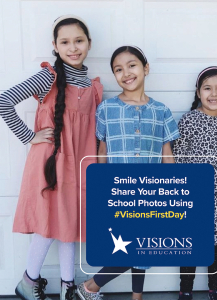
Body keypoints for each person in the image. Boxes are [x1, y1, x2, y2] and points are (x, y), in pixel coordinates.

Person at [0, 15, 103, 300]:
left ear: (89, 43)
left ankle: (68, 286)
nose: (73, 47)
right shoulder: (49, 77)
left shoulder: (94, 87)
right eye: (65, 42)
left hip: (80, 164)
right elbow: (3, 100)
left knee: (69, 222)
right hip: (50, 162)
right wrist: (28, 136)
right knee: (48, 221)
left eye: (79, 40)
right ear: (55, 46)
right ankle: (28, 281)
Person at [76, 46, 179, 300]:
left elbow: (167, 153)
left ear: (145, 68)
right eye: (118, 69)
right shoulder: (106, 109)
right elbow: (102, 149)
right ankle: (90, 286)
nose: (126, 73)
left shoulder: (161, 110)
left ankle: (136, 296)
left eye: (131, 65)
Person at [172, 66, 217, 300]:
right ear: (198, 92)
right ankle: (186, 290)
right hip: (193, 195)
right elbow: (179, 159)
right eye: (207, 88)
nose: (214, 94)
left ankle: (215, 288)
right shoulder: (189, 120)